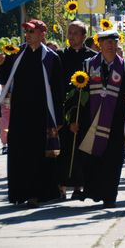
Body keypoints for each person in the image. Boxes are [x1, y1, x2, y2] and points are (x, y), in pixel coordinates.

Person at [0, 19, 64, 207]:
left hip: (41, 114)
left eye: (32, 32)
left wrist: (59, 116)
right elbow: (3, 78)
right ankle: (20, 192)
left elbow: (58, 90)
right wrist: (0, 64)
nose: (28, 35)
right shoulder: (16, 55)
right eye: (27, 32)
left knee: (37, 154)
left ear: (42, 34)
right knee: (19, 152)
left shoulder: (51, 58)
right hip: (20, 113)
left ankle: (36, 194)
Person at [73, 30, 125, 208]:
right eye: (107, 42)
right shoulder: (88, 66)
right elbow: (78, 95)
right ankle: (94, 191)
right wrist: (75, 119)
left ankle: (110, 194)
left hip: (115, 122)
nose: (111, 46)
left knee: (113, 160)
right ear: (99, 45)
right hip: (91, 122)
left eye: (114, 42)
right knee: (92, 158)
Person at [56, 20, 96, 200]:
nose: (71, 36)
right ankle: (62, 184)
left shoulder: (93, 57)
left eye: (75, 33)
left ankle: (80, 185)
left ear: (83, 36)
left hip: (86, 107)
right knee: (64, 147)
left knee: (82, 147)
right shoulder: (60, 56)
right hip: (65, 105)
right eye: (69, 32)